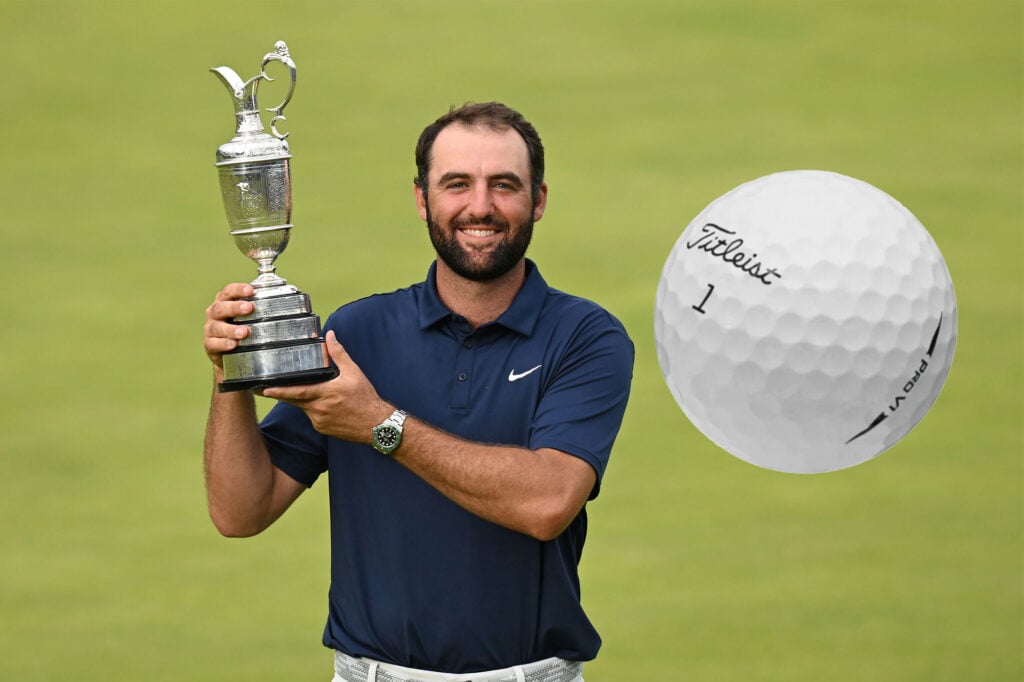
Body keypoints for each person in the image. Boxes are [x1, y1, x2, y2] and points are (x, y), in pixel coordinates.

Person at [203, 102, 634, 682]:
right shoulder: (356, 334)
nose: (479, 206)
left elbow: (548, 502)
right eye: (456, 184)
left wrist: (380, 423)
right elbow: (240, 510)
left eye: (503, 185)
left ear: (539, 200)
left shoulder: (586, 337)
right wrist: (230, 373)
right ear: (422, 199)